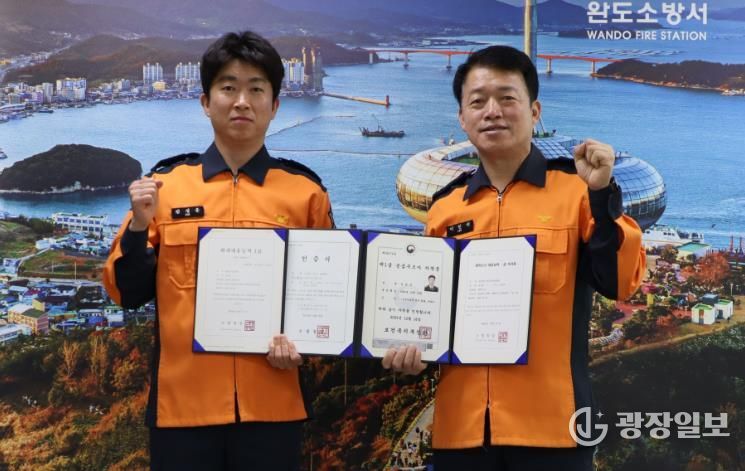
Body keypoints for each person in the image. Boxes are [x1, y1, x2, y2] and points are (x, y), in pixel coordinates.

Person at [382, 45, 645, 470]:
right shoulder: (445, 209)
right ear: (462, 118)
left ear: (534, 111)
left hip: (555, 428)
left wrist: (601, 195)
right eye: (477, 101)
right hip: (461, 431)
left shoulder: (577, 191)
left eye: (507, 98)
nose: (493, 112)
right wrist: (410, 354)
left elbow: (621, 282)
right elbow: (428, 318)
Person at [103, 31, 334, 471]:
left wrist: (305, 345)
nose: (242, 102)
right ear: (206, 102)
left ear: (275, 105)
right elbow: (126, 292)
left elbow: (325, 300)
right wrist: (138, 225)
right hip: (182, 410)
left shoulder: (306, 193)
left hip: (274, 406)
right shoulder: (164, 187)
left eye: (256, 89)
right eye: (228, 88)